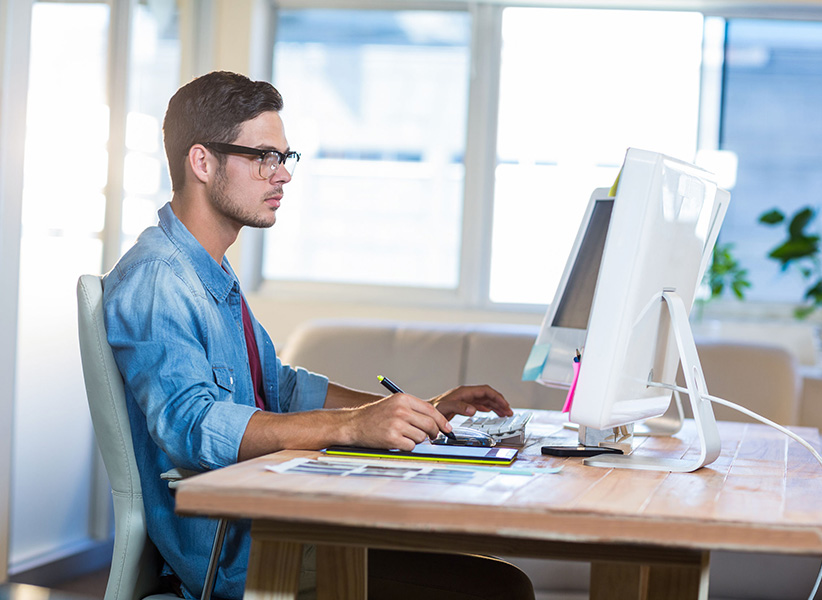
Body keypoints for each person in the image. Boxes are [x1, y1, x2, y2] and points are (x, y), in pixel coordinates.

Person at [103, 71, 535, 600]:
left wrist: (411, 411)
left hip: (273, 527)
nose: (282, 175)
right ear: (202, 162)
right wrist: (353, 429)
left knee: (485, 574)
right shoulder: (158, 280)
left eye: (285, 158)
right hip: (240, 558)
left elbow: (279, 388)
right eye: (264, 157)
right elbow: (194, 427)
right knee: (498, 590)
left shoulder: (208, 273)